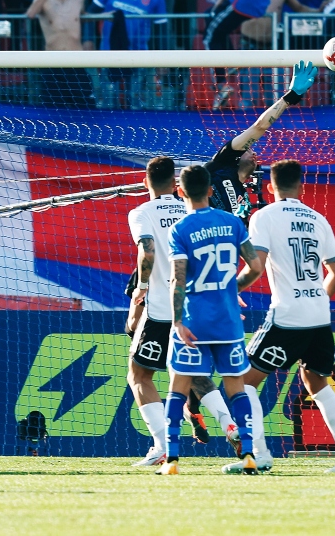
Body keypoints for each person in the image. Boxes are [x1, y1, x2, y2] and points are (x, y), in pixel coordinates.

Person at [243, 159, 335, 474]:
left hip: (287, 314)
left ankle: (260, 455)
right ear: (302, 187)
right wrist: (315, 299)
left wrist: (228, 290)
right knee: (317, 381)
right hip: (319, 314)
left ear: (270, 187)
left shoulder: (263, 217)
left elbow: (257, 266)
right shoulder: (318, 219)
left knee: (243, 383)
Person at [125, 158, 242, 468]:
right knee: (196, 375)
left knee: (138, 374)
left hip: (163, 309)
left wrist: (141, 287)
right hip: (200, 308)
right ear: (176, 183)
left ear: (145, 181)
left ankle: (162, 445)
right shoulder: (189, 210)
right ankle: (230, 424)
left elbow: (147, 250)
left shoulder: (141, 213)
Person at [155, 164, 264, 476]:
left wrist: (176, 321)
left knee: (178, 385)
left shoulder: (180, 229)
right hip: (228, 321)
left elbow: (177, 279)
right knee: (237, 388)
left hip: (194, 320)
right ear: (211, 190)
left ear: (180, 191)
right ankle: (248, 456)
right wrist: (231, 289)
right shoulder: (232, 223)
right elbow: (255, 267)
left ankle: (173, 460)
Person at [207, 61, 318, 226]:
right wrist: (290, 97)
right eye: (249, 149)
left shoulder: (243, 196)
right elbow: (260, 126)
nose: (254, 153)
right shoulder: (221, 162)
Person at [91, 0, 167, 108]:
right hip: (108, 54)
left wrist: (162, 59)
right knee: (108, 102)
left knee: (135, 102)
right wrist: (88, 40)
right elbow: (91, 13)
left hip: (138, 57)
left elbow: (162, 31)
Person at [25, 0, 93, 108]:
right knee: (53, 109)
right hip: (52, 63)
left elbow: (84, 16)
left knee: (82, 108)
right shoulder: (43, 1)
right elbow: (31, 14)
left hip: (76, 63)